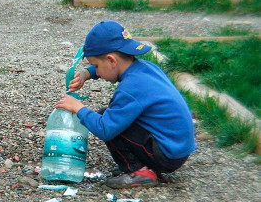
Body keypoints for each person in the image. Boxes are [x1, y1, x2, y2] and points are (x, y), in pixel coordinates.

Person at [56, 20, 196, 188]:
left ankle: (139, 171)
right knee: (114, 116)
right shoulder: (145, 68)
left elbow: (105, 129)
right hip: (177, 147)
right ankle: (146, 167)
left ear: (111, 61)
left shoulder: (130, 89)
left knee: (105, 118)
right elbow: (108, 64)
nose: (97, 71)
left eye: (96, 66)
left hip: (166, 155)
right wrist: (87, 73)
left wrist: (78, 108)